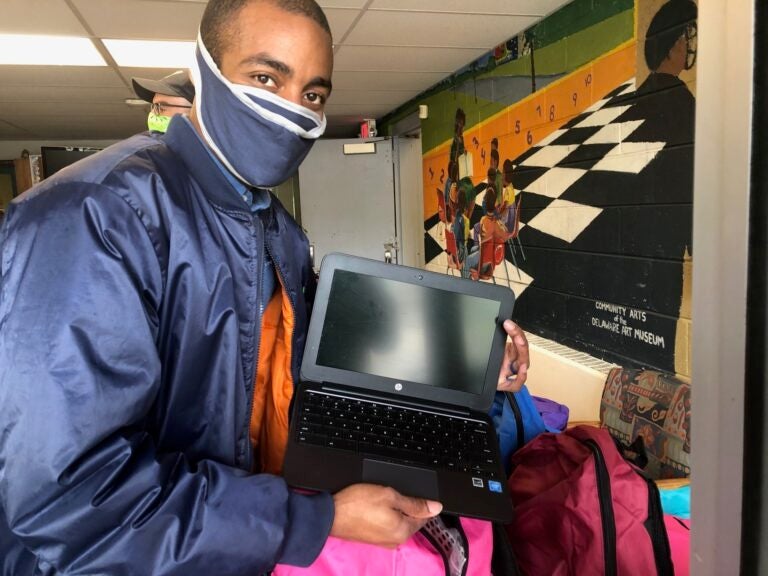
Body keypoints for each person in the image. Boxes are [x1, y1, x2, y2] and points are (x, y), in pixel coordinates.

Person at [0, 1, 530, 574]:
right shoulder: (93, 216)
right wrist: (314, 522)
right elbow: (74, 502)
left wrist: (467, 365)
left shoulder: (274, 228)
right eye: (265, 78)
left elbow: (305, 357)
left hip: (233, 546)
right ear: (202, 71)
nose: (291, 110)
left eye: (313, 95)